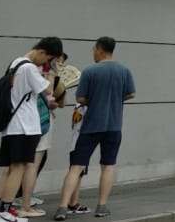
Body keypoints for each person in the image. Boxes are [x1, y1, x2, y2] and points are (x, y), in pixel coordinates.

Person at [51, 37, 135, 220]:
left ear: (99, 50)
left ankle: (63, 207)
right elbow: (131, 93)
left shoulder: (90, 71)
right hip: (114, 126)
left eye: (94, 49)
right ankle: (102, 206)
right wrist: (115, 99)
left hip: (90, 126)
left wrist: (95, 100)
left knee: (76, 166)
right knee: (108, 166)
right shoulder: (124, 70)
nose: (93, 52)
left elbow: (80, 98)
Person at [0, 36, 62, 222]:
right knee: (19, 169)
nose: (47, 63)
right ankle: (5, 212)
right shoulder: (30, 68)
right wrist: (49, 73)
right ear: (42, 52)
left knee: (9, 170)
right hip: (26, 126)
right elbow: (48, 90)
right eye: (48, 59)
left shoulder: (16, 63)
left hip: (11, 126)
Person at [15, 53, 69, 218]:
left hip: (21, 122)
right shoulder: (48, 74)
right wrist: (58, 86)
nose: (61, 64)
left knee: (18, 165)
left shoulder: (24, 68)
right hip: (41, 122)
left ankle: (9, 203)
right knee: (33, 163)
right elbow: (60, 99)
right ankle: (25, 202)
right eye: (59, 60)